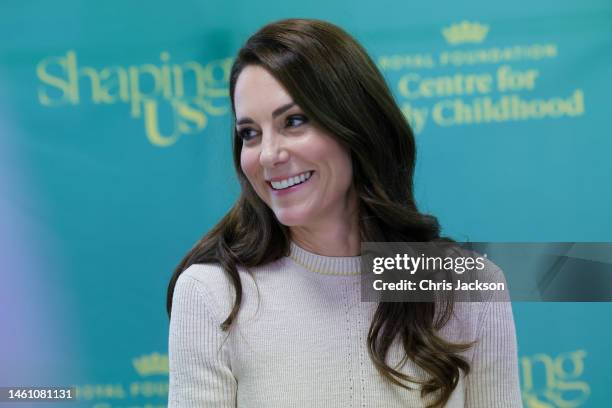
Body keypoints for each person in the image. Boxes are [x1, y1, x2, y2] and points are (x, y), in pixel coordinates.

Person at [166, 18, 522, 408]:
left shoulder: (466, 286)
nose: (268, 155)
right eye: (250, 133)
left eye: (294, 121)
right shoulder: (212, 293)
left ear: (357, 126)